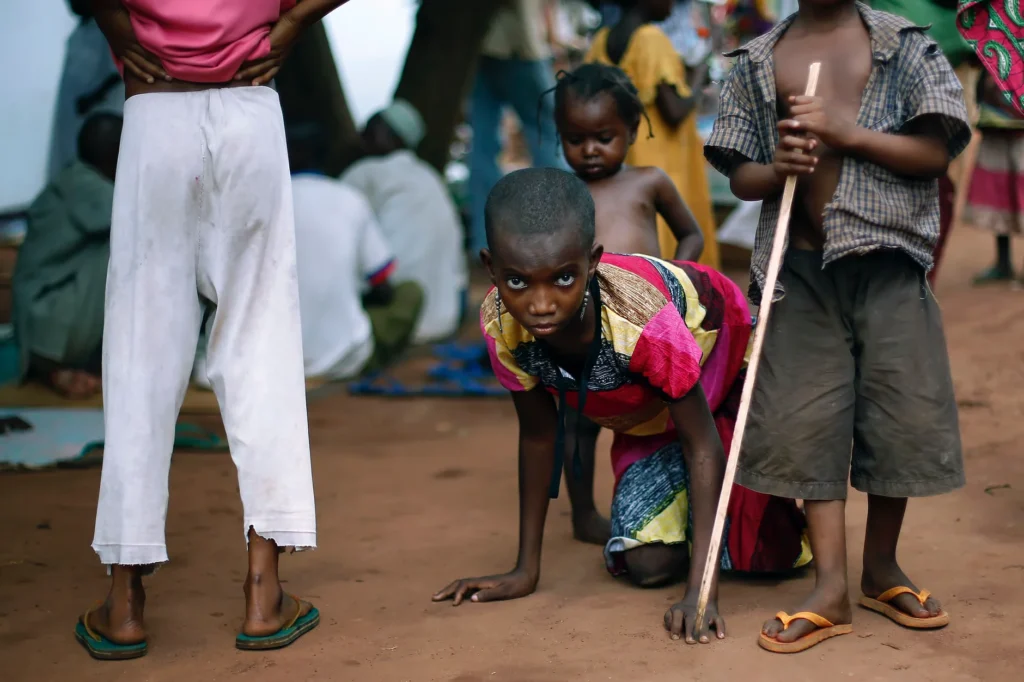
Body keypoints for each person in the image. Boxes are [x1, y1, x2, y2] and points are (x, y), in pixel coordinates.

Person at [78, 0, 351, 661]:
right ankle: (264, 594)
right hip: (249, 105)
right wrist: (289, 24)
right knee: (261, 345)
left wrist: (114, 21)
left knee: (140, 351)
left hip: (153, 107)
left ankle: (124, 603)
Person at [433, 168, 810, 644]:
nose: (542, 303)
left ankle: (711, 530)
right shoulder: (498, 323)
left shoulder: (643, 322)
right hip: (652, 406)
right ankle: (687, 509)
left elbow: (701, 443)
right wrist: (524, 570)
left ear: (593, 261)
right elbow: (538, 435)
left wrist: (701, 592)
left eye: (563, 278)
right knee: (647, 567)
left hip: (723, 361)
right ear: (490, 268)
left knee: (763, 550)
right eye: (517, 281)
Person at [705, 0, 970, 653]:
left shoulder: (905, 45)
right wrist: (778, 169)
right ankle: (829, 585)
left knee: (898, 416)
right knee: (806, 420)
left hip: (889, 265)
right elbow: (740, 172)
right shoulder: (757, 60)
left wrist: (849, 133)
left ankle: (881, 567)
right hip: (800, 273)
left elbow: (936, 152)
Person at [546, 61, 706, 543]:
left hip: (649, 329)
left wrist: (676, 284)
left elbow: (691, 235)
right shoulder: (561, 193)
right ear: (560, 135)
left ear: (632, 130)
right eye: (576, 139)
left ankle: (682, 506)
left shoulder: (648, 181)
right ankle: (582, 516)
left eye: (604, 136)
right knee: (576, 424)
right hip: (583, 331)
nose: (590, 150)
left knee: (676, 416)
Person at [585, 0, 719, 268]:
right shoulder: (651, 39)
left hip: (630, 150)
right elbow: (674, 110)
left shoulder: (602, 40)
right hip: (663, 155)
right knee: (668, 226)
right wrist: (701, 70)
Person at [13, 113, 121, 399]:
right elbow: (153, 216)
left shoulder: (73, 180)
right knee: (131, 248)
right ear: (117, 154)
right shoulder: (86, 186)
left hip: (41, 323)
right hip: (49, 320)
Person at [342, 100, 468, 344]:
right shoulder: (428, 175)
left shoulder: (366, 172)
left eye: (370, 130)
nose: (361, 137)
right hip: (445, 316)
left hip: (400, 318)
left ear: (391, 136)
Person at [469, 0, 566, 254]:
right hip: (520, 47)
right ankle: (564, 228)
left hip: (480, 46)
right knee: (547, 136)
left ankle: (485, 240)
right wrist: (534, 48)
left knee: (482, 145)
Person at [49, 0, 125, 179]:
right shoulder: (79, 32)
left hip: (101, 111)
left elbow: (116, 72)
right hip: (73, 114)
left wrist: (91, 99)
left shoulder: (106, 27)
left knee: (100, 164)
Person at [963, 70, 1024, 284]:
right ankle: (1003, 262)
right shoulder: (985, 44)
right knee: (998, 194)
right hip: (993, 126)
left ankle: (1006, 264)